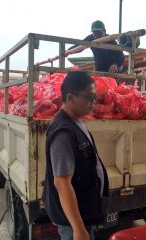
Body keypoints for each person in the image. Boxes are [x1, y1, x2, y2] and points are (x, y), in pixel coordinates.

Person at [43, 71, 109, 240]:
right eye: (89, 97)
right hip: (72, 222)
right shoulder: (63, 132)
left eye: (94, 97)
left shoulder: (75, 121)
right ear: (70, 97)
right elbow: (62, 183)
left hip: (84, 211)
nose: (93, 103)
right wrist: (78, 229)